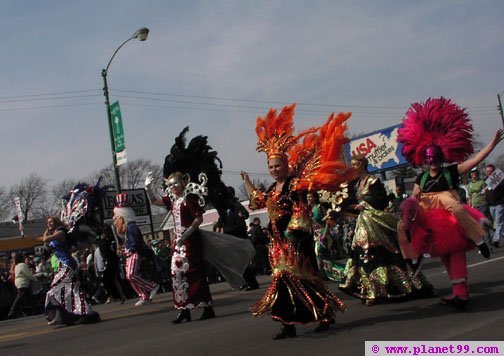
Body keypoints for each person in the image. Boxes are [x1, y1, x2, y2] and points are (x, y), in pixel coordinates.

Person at [242, 103, 353, 339]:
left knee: (306, 279)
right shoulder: (273, 188)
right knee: (281, 282)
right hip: (278, 243)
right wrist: (248, 183)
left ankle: (324, 314)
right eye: (270, 166)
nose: (274, 170)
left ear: (285, 165)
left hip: (296, 241)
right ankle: (287, 323)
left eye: (277, 165)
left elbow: (300, 209)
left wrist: (294, 234)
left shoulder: (295, 184)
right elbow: (259, 201)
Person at [397, 97, 504, 307]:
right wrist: (408, 211)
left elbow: (476, 160)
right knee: (404, 222)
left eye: (436, 159)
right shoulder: (421, 178)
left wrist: (491, 144)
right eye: (430, 160)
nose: (433, 162)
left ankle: (478, 240)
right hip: (431, 221)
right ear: (425, 160)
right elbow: (414, 197)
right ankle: (413, 256)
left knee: (455, 247)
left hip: (452, 222)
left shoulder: (450, 171)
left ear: (441, 158)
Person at [339, 156, 435, 305]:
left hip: (375, 221)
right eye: (352, 165)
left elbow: (382, 200)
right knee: (362, 253)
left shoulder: (374, 181)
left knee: (383, 252)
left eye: (356, 164)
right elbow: (349, 201)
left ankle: (392, 287)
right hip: (362, 223)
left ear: (363, 165)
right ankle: (372, 289)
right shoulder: (356, 184)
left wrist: (365, 204)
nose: (353, 167)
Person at [147, 172, 215, 323]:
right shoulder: (171, 200)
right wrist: (147, 188)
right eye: (170, 185)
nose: (173, 187)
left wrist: (186, 234)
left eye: (176, 184)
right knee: (176, 273)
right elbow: (153, 201)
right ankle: (183, 309)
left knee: (194, 273)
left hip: (190, 242)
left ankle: (206, 306)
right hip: (178, 242)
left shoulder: (189, 199)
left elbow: (199, 218)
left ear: (183, 183)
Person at [34, 216, 100, 325]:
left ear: (55, 222)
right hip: (63, 264)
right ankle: (71, 315)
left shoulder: (60, 233)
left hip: (67, 264)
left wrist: (46, 231)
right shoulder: (56, 233)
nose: (49, 224)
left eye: (51, 222)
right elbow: (42, 239)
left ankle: (70, 314)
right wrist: (30, 237)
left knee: (55, 290)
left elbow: (45, 239)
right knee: (70, 290)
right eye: (48, 223)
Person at [113, 193, 159, 307]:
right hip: (130, 254)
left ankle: (152, 286)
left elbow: (134, 243)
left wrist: (128, 249)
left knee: (132, 275)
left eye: (116, 217)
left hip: (135, 254)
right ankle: (144, 296)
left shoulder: (131, 227)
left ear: (122, 217)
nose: (114, 220)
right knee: (130, 277)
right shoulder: (126, 229)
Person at [216, 186, 259, 291]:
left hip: (238, 238)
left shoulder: (235, 205)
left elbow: (244, 217)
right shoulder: (224, 208)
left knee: (243, 262)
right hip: (230, 240)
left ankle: (252, 283)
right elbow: (220, 222)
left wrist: (227, 230)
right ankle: (243, 282)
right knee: (236, 263)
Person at [7, 253, 38, 318]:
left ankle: (35, 310)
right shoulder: (23, 265)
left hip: (19, 282)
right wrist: (35, 279)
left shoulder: (17, 265)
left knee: (29, 298)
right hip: (23, 283)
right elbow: (28, 274)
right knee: (19, 298)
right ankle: (11, 312)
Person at [484, 164, 504, 248]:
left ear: (494, 172)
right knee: (498, 222)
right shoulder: (485, 181)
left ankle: (496, 240)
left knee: (499, 222)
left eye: (491, 171)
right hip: (491, 205)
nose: (489, 173)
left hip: (499, 203)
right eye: (487, 171)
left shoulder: (500, 180)